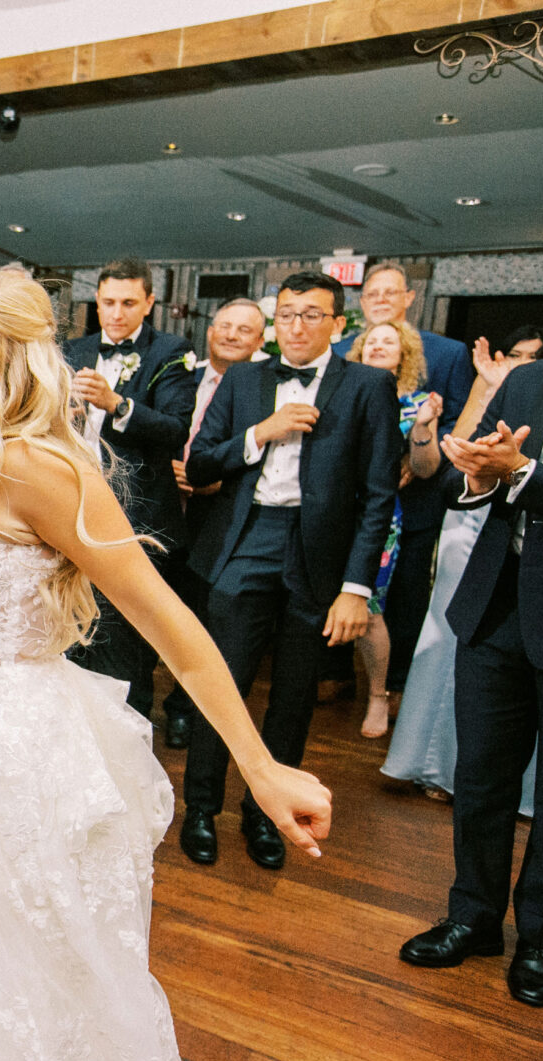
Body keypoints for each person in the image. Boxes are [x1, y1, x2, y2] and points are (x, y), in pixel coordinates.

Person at [0, 268, 331, 1061]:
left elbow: (171, 622)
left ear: (5, 377)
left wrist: (259, 768)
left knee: (9, 970)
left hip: (11, 755)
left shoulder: (36, 469)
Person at [180, 270, 400, 870]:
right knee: (219, 685)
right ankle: (200, 807)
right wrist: (260, 433)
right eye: (287, 313)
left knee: (295, 695)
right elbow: (199, 466)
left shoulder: (367, 386)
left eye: (311, 314)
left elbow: (379, 495)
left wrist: (357, 587)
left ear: (337, 323)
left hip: (319, 554)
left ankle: (266, 813)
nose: (296, 325)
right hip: (246, 541)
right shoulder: (245, 378)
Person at [400, 293, 543, 1009]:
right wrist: (477, 477)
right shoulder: (533, 377)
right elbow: (466, 480)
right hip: (495, 605)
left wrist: (525, 475)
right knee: (479, 779)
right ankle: (472, 917)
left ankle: (542, 939)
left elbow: (531, 477)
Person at [383, 326, 543, 805]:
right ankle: (432, 763)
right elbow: (448, 464)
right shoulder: (492, 383)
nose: (522, 363)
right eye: (515, 354)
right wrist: (478, 392)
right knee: (445, 640)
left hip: (524, 528)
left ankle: (514, 785)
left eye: (533, 357)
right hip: (468, 518)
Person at [63, 257, 199, 720]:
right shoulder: (73, 350)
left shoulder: (172, 352)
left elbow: (174, 429)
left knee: (129, 640)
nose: (116, 313)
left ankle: (131, 732)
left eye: (128, 303)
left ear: (149, 303)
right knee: (74, 630)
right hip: (71, 511)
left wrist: (117, 404)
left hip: (138, 518)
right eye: (108, 302)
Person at [334, 263, 473, 698]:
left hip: (415, 499)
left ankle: (393, 686)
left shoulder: (446, 352)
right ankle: (336, 674)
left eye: (390, 292)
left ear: (410, 298)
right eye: (372, 293)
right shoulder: (339, 352)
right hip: (347, 498)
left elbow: (461, 418)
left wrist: (418, 454)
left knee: (406, 594)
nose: (380, 300)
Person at [162, 297, 267, 748]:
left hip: (218, 517)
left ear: (261, 341)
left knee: (202, 624)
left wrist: (208, 482)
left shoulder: (266, 389)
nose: (230, 335)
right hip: (168, 511)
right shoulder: (186, 375)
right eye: (223, 325)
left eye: (243, 330)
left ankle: (187, 710)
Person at [346, 319, 442, 737]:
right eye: (372, 341)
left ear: (404, 354)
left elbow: (425, 468)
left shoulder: (418, 402)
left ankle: (378, 695)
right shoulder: (341, 391)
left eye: (389, 341)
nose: (379, 346)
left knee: (368, 608)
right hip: (327, 512)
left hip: (379, 517)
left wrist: (422, 427)